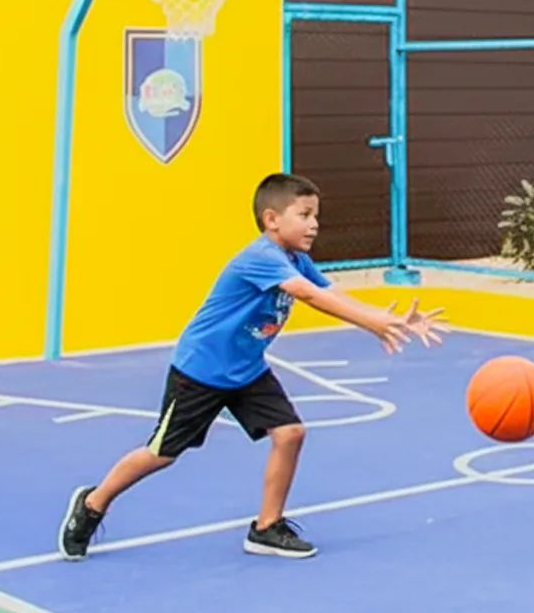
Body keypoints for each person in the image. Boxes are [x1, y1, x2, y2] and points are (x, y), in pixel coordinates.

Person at [56, 172, 449, 561]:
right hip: (202, 372)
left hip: (247, 369)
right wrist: (372, 323)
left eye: (316, 216)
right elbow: (308, 295)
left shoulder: (296, 259)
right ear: (272, 220)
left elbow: (329, 289)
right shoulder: (262, 257)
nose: (314, 224)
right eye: (305, 214)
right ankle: (93, 503)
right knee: (162, 453)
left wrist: (389, 318)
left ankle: (266, 528)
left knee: (291, 432)